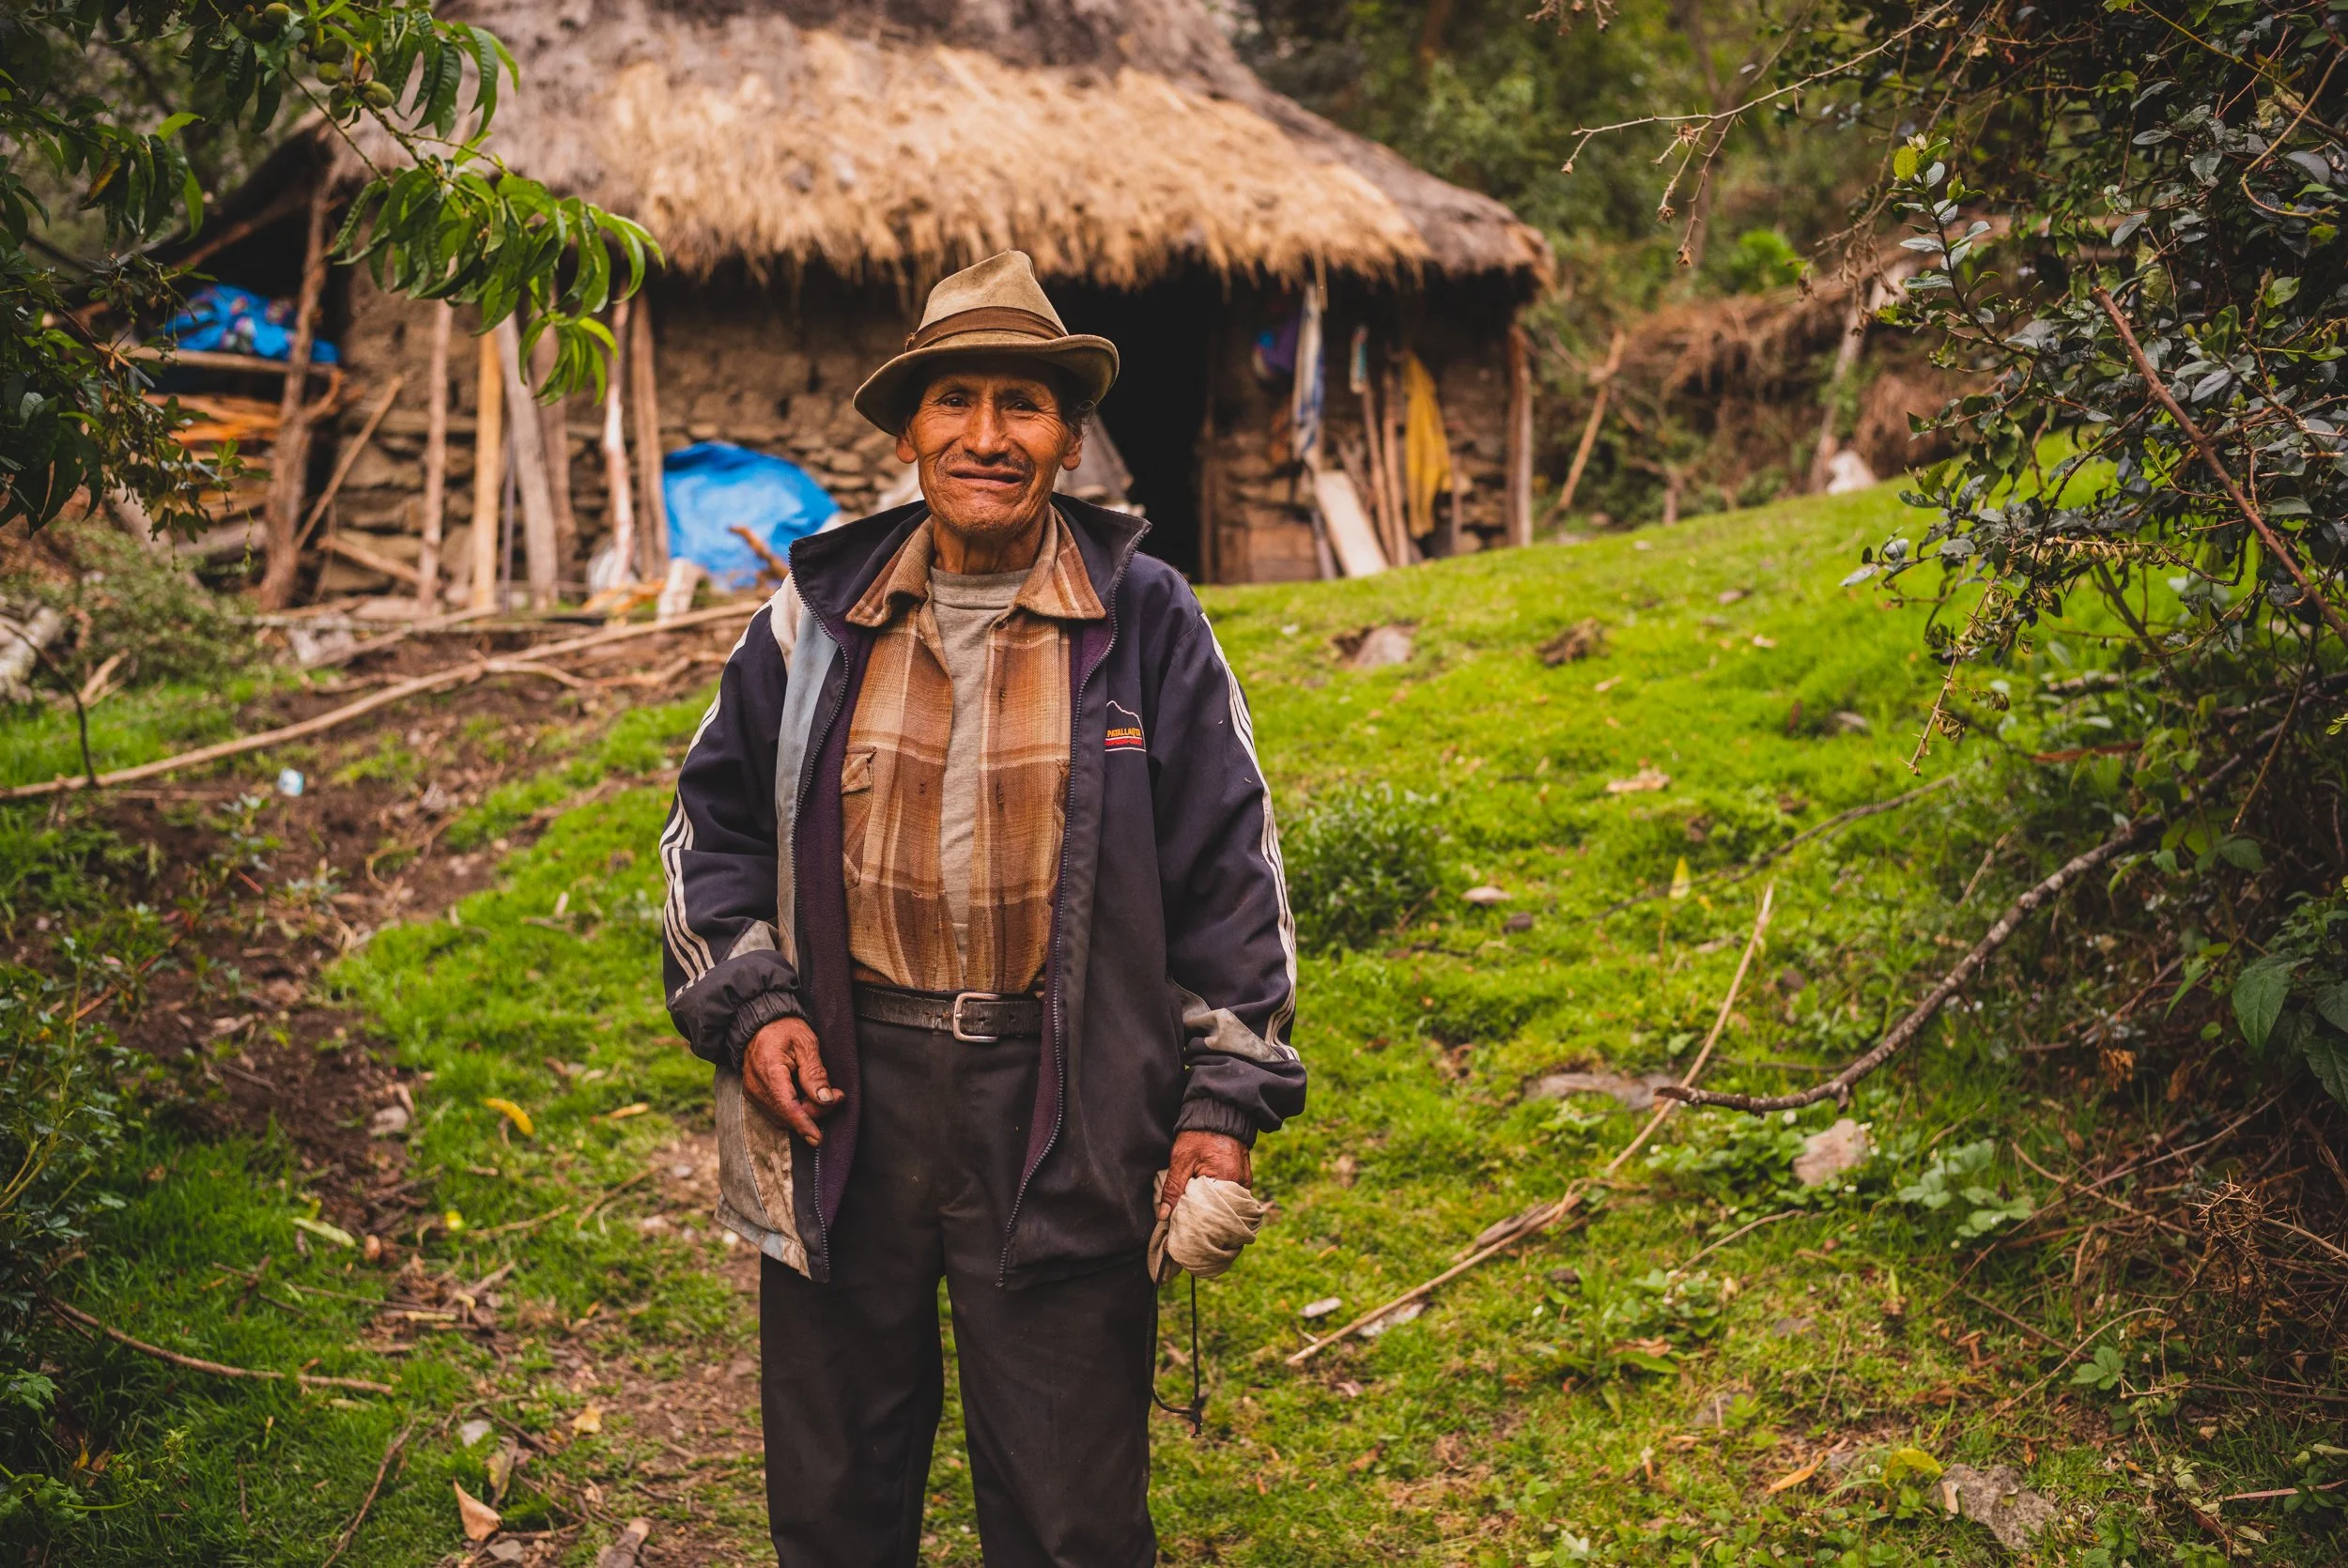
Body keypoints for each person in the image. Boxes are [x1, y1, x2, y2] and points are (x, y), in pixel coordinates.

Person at [660, 250, 1304, 1568]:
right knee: (837, 1500)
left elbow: (1233, 874)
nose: (988, 435)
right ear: (911, 430)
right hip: (842, 1094)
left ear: (1069, 440)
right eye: (956, 400)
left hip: (1064, 1107)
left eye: (1024, 403)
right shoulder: (819, 614)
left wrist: (1220, 1102)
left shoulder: (1146, 621)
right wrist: (755, 1004)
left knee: (1070, 1513)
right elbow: (707, 829)